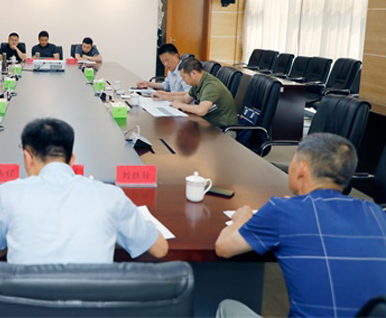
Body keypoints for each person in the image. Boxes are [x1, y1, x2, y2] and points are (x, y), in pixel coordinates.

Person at [215, 133, 386, 318]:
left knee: (227, 307)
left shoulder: (282, 210)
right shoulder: (375, 212)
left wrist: (243, 217)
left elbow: (223, 247)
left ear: (302, 168)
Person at [0, 118, 168, 264]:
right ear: (72, 159)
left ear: (27, 157)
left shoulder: (9, 194)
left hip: (25, 301)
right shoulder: (111, 197)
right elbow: (160, 250)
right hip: (91, 302)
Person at [159, 57, 237, 129]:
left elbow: (201, 110)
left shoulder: (211, 86)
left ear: (193, 73)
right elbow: (185, 99)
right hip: (208, 123)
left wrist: (180, 105)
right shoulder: (198, 82)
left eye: (184, 77)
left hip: (222, 129)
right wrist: (165, 97)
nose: (183, 80)